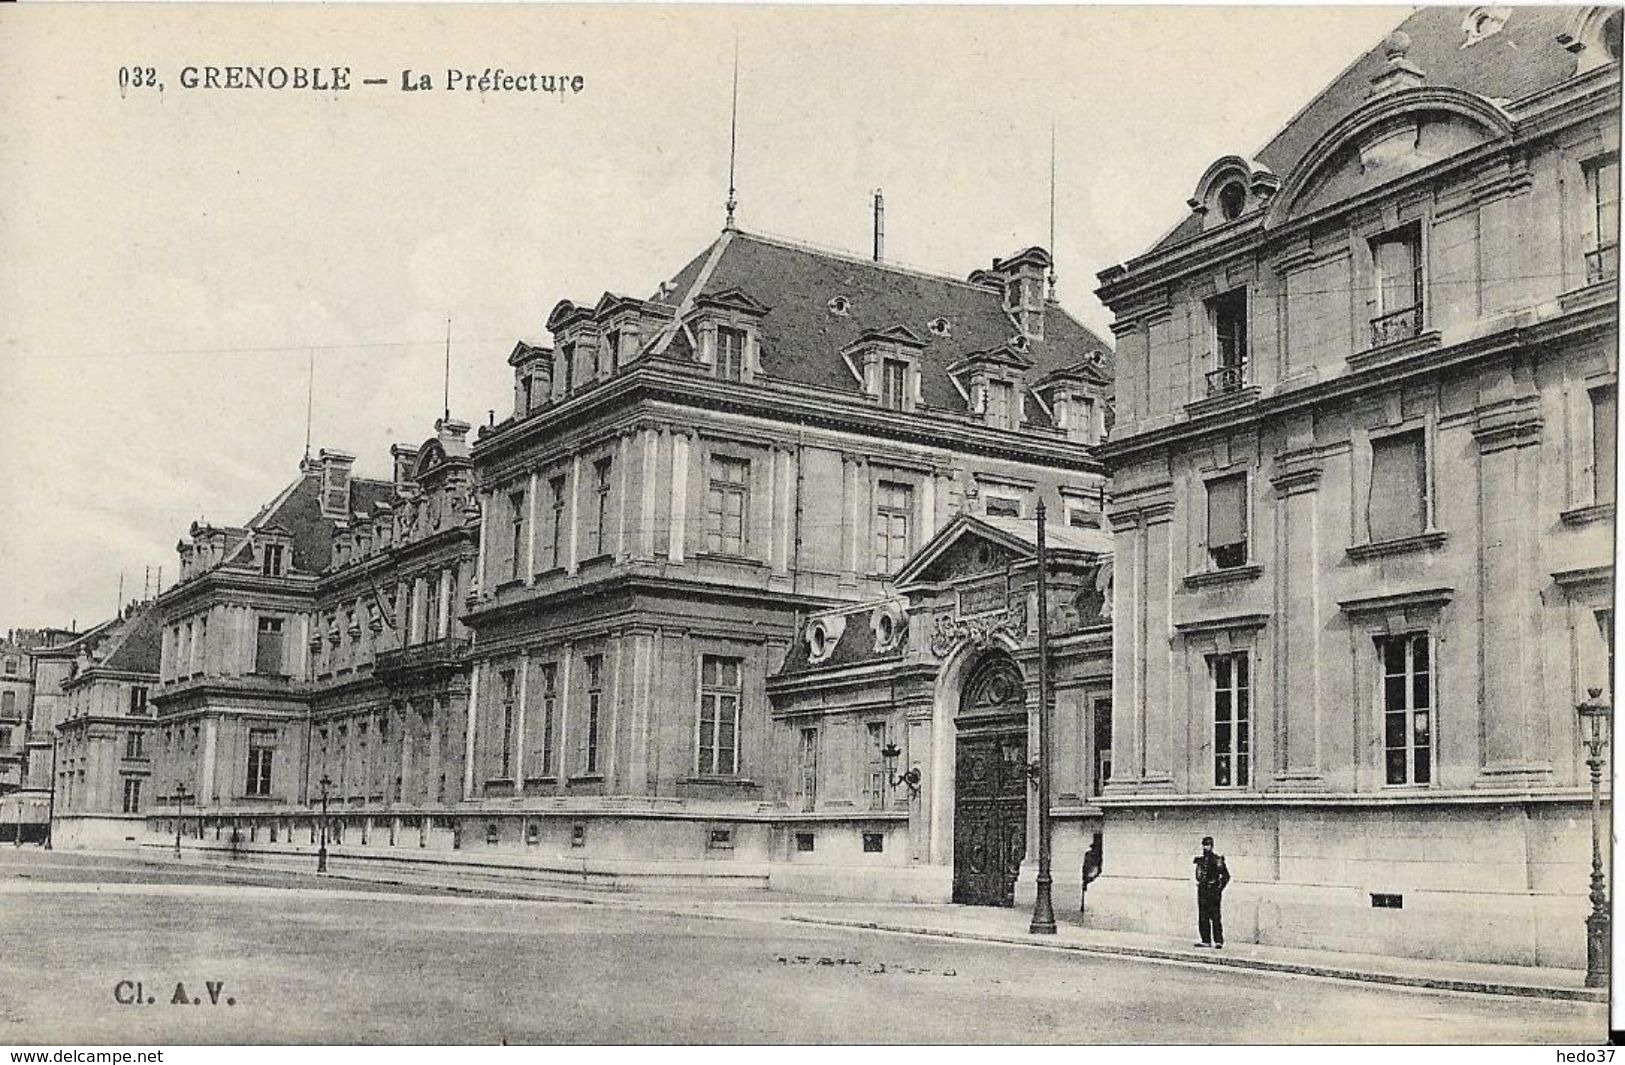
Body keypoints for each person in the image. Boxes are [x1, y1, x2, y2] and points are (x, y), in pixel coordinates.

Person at [1192, 835, 1230, 948]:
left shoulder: (1217, 860)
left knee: (1215, 916)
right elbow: (1198, 875)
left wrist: (1219, 889)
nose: (1205, 847)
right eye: (1204, 845)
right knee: (1203, 916)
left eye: (1207, 845)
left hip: (1213, 891)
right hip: (1203, 890)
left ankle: (1218, 941)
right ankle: (1205, 940)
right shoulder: (1201, 860)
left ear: (1211, 846)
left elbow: (1226, 876)